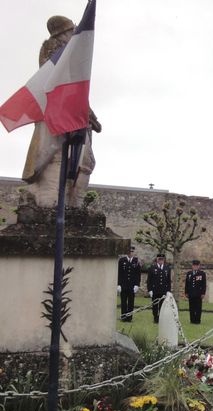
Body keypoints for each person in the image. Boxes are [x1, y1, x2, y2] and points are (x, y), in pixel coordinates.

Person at [23, 15, 102, 208]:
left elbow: (75, 87)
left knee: (83, 162)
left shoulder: (68, 55)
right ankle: (54, 205)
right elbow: (60, 85)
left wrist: (88, 114)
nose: (74, 33)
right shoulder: (54, 51)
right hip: (58, 114)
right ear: (63, 33)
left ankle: (73, 205)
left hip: (74, 113)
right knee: (57, 157)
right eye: (71, 30)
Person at [117, 246, 141, 322]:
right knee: (123, 302)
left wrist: (137, 284)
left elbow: (138, 274)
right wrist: (118, 284)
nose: (130, 253)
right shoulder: (122, 260)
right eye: (129, 251)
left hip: (132, 286)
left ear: (133, 252)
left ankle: (129, 318)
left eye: (132, 252)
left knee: (131, 302)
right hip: (123, 285)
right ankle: (123, 317)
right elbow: (119, 273)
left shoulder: (136, 261)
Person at [147, 254, 171, 324]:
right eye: (159, 259)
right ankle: (155, 318)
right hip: (155, 290)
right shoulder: (152, 268)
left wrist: (168, 290)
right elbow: (149, 280)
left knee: (162, 305)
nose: (161, 261)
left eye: (162, 259)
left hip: (163, 290)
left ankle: (161, 318)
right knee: (155, 305)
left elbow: (168, 281)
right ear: (157, 259)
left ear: (164, 260)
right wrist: (150, 290)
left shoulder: (167, 268)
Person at [184, 259, 206, 324]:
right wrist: (186, 292)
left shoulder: (202, 274)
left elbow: (204, 284)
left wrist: (203, 293)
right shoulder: (189, 274)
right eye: (194, 265)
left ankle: (197, 320)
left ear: (199, 266)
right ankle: (192, 320)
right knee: (191, 307)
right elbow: (187, 284)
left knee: (198, 308)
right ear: (192, 266)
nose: (195, 267)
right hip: (191, 293)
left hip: (198, 294)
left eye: (196, 265)